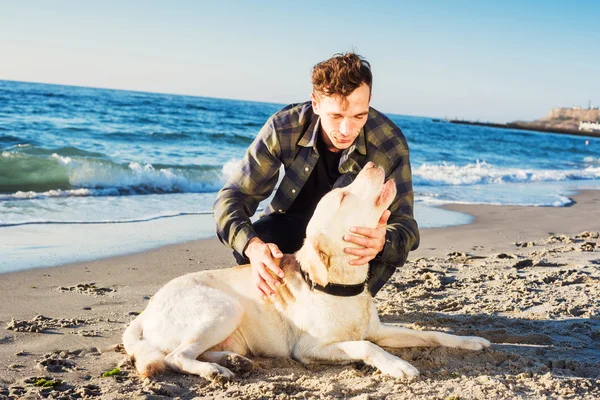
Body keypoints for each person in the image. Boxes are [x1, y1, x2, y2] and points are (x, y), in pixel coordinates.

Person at [214, 52, 419, 299]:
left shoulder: (389, 143)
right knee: (258, 238)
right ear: (315, 103)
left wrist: (383, 242)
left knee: (371, 235)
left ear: (369, 101)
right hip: (288, 236)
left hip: (352, 249)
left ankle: (348, 302)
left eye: (359, 116)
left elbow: (407, 228)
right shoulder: (284, 127)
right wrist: (253, 247)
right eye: (336, 116)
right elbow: (233, 197)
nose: (347, 130)